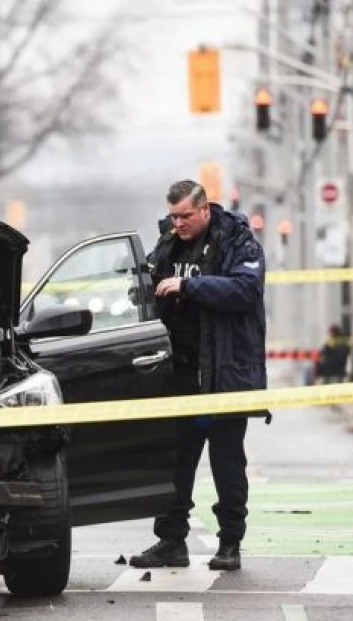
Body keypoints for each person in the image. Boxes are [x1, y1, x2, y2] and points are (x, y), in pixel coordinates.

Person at [128, 180, 268, 572]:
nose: (178, 223)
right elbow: (146, 289)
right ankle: (171, 541)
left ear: (205, 209)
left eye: (185, 215)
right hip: (180, 375)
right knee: (176, 463)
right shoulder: (168, 244)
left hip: (222, 375)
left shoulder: (238, 240)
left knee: (227, 463)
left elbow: (245, 290)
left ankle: (230, 544)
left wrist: (189, 285)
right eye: (173, 216)